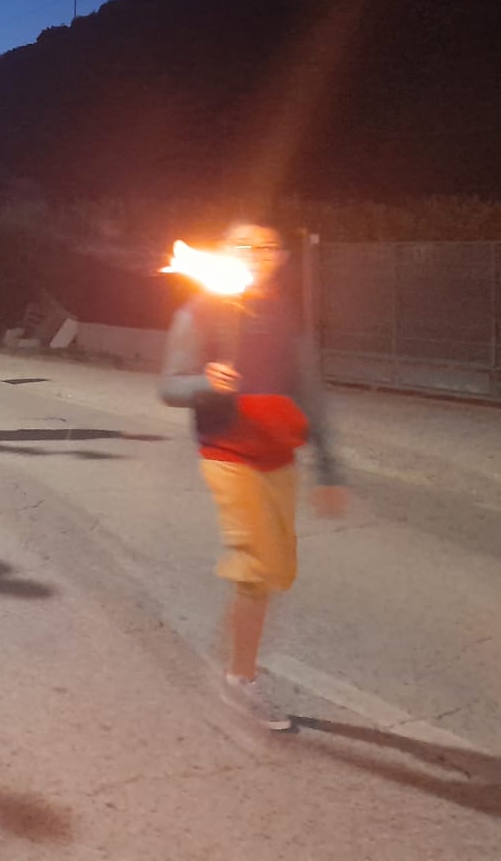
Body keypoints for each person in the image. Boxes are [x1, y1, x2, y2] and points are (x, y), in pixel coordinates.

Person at [158, 221, 349, 729]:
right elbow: (169, 387)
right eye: (244, 245)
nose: (257, 252)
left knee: (274, 570)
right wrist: (205, 381)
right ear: (225, 252)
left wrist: (329, 468)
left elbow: (309, 390)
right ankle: (239, 680)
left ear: (280, 258)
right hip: (228, 453)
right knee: (257, 565)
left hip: (278, 456)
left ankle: (230, 661)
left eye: (267, 245)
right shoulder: (199, 311)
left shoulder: (287, 315)